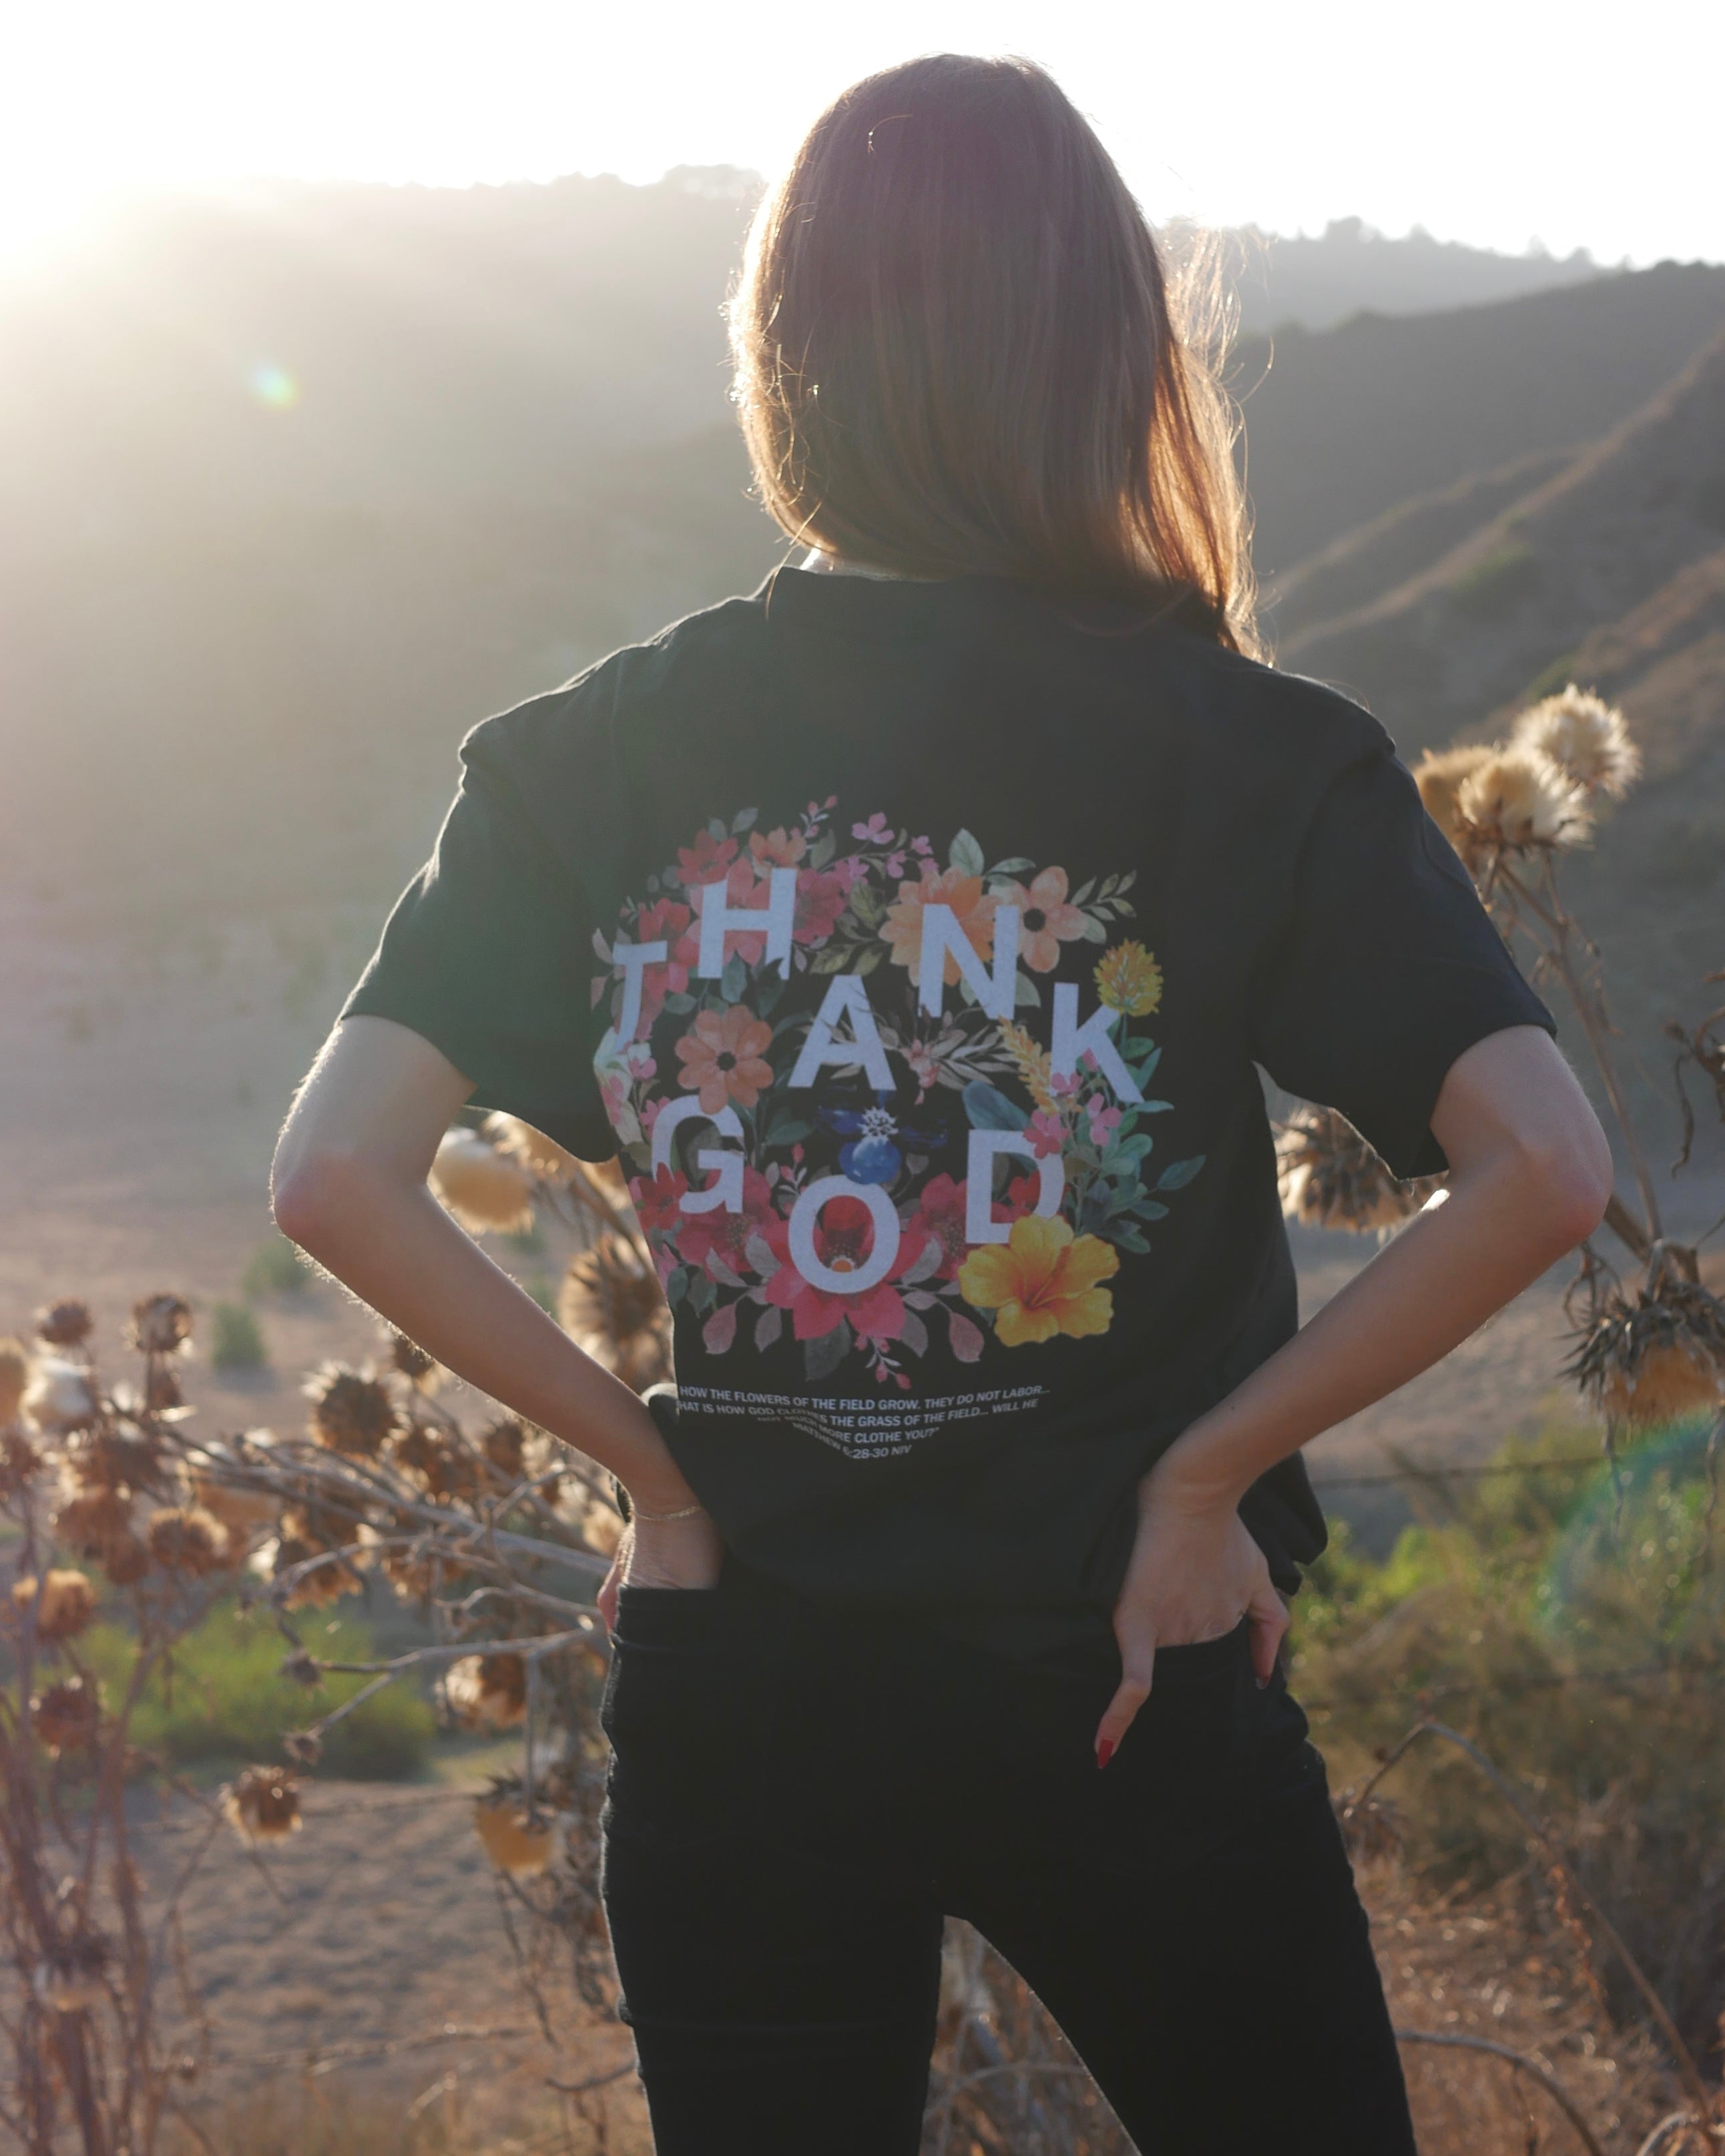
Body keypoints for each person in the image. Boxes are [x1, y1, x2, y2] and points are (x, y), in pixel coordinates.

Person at [272, 52, 1613, 2156]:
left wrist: (663, 1483)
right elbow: (1544, 1169)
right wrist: (1200, 1486)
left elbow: (334, 1176)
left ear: (780, 351)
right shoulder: (1248, 747)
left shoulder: (587, 753)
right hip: (1122, 1664)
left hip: (744, 1683)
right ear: (1103, 358)